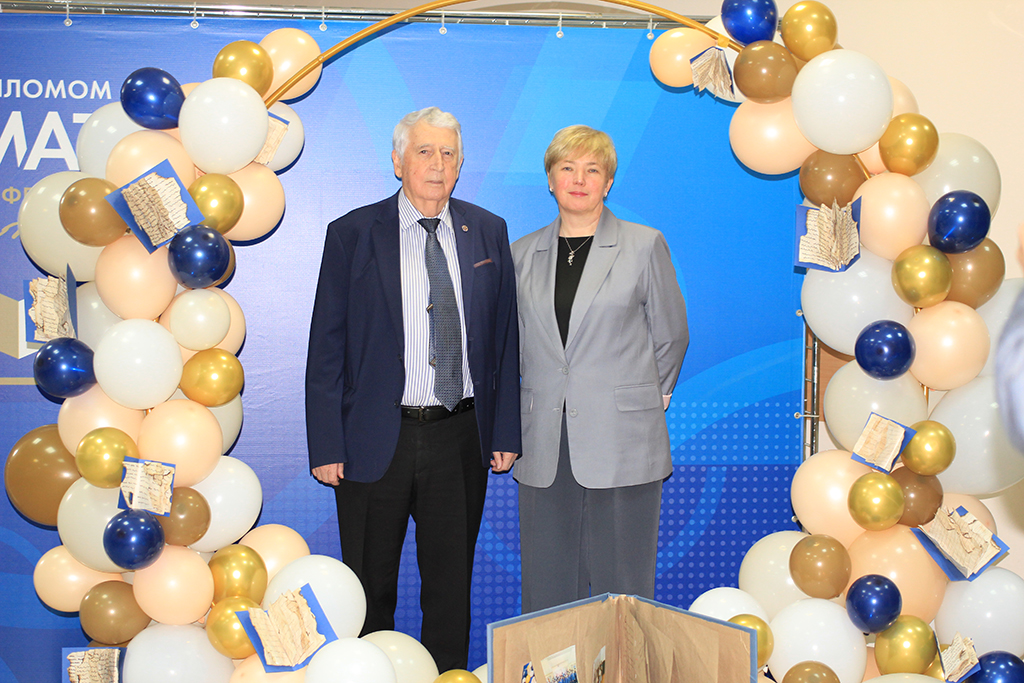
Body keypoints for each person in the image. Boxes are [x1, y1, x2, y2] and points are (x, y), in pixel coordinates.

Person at [305, 106, 521, 671]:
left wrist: (505, 431)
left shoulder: (489, 230)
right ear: (398, 161)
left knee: (450, 589)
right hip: (374, 439)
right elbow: (326, 346)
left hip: (460, 436)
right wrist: (326, 443)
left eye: (448, 154)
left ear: (461, 165)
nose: (437, 164)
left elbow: (505, 340)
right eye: (424, 151)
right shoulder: (352, 233)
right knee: (368, 588)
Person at [512, 125, 689, 613]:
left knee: (624, 587)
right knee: (547, 588)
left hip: (623, 438)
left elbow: (671, 334)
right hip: (545, 441)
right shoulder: (521, 254)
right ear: (550, 179)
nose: (579, 179)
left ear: (608, 182)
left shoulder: (643, 244)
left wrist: (646, 398)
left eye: (592, 170)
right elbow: (516, 345)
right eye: (567, 168)